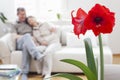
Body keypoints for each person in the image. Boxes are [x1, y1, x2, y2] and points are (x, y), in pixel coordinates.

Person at [13, 8, 44, 80]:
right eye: (22, 14)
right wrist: (27, 37)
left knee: (25, 46)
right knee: (27, 36)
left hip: (29, 43)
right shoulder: (15, 24)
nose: (24, 16)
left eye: (24, 14)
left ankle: (24, 73)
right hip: (20, 42)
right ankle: (36, 54)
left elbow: (38, 24)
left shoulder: (28, 21)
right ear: (17, 14)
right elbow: (15, 36)